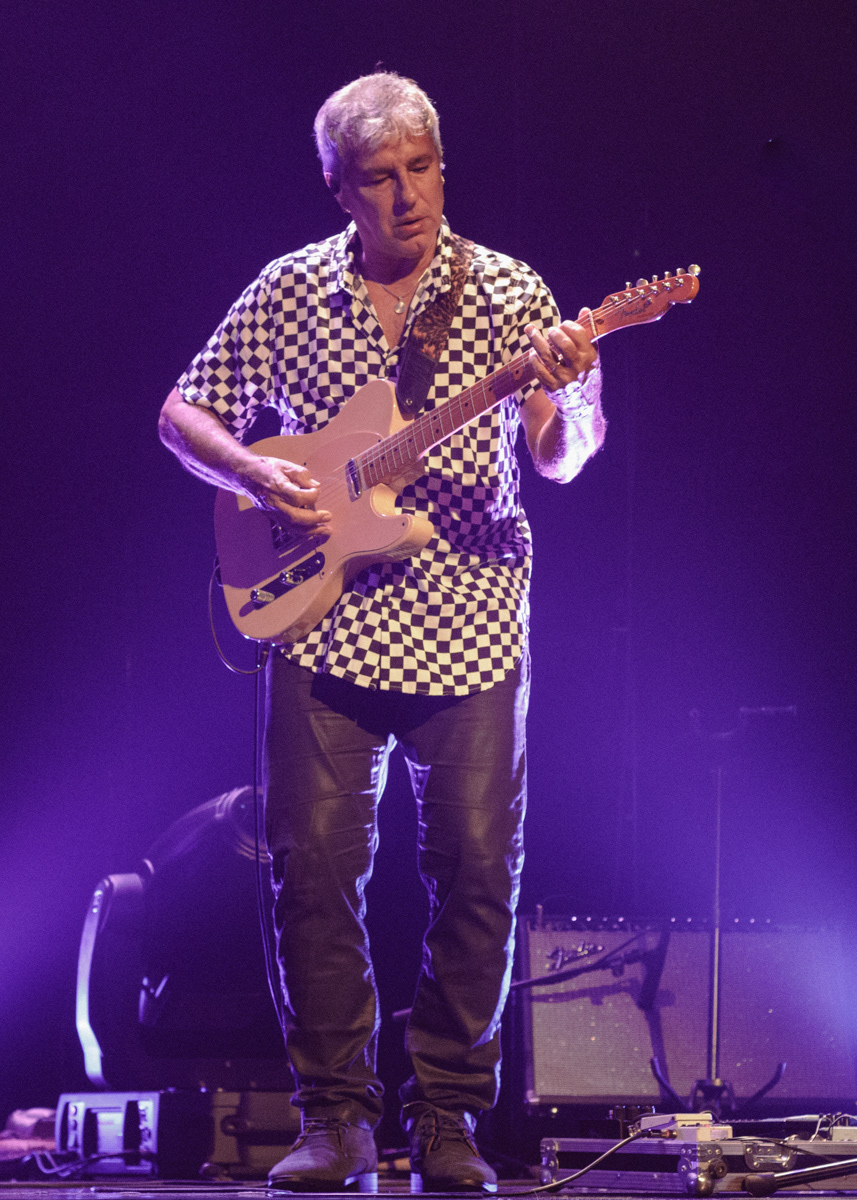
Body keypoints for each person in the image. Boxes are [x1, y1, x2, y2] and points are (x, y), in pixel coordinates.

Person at [159, 71, 604, 1193]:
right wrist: (252, 472)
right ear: (336, 187)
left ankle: (448, 1121)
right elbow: (182, 413)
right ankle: (336, 1122)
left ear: (442, 166)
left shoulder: (508, 291)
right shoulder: (289, 290)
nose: (405, 196)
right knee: (309, 874)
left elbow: (557, 460)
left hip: (470, 622)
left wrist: (576, 394)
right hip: (323, 625)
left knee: (477, 874)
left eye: (420, 169)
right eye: (377, 178)